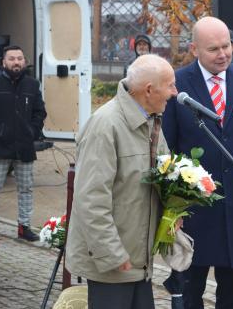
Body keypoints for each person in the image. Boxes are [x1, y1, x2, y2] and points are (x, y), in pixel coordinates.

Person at [162, 16, 233, 309]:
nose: (223, 54)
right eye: (214, 49)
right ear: (194, 49)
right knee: (190, 293)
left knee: (232, 295)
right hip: (195, 211)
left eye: (227, 46)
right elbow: (167, 149)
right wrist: (173, 207)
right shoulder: (177, 84)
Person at [65, 54, 178, 308]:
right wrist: (112, 254)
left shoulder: (152, 122)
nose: (175, 92)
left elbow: (161, 176)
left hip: (139, 261)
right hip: (113, 264)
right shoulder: (105, 125)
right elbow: (91, 200)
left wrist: (173, 210)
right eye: (170, 85)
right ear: (149, 90)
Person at [0, 46, 46, 244]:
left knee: (26, 189)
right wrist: (0, 132)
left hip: (24, 147)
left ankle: (24, 228)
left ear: (24, 61)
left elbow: (40, 112)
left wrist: (32, 131)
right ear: (3, 62)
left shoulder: (32, 84)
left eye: (20, 58)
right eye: (12, 58)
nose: (16, 62)